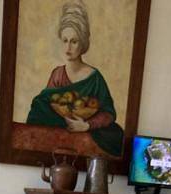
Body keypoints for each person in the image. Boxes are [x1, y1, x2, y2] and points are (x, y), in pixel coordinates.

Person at [26, 1, 124, 158]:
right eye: (65, 41)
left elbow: (108, 112)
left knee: (115, 134)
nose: (68, 48)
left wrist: (87, 125)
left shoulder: (95, 77)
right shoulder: (58, 74)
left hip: (87, 126)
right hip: (61, 124)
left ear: (82, 43)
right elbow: (46, 103)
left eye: (74, 41)